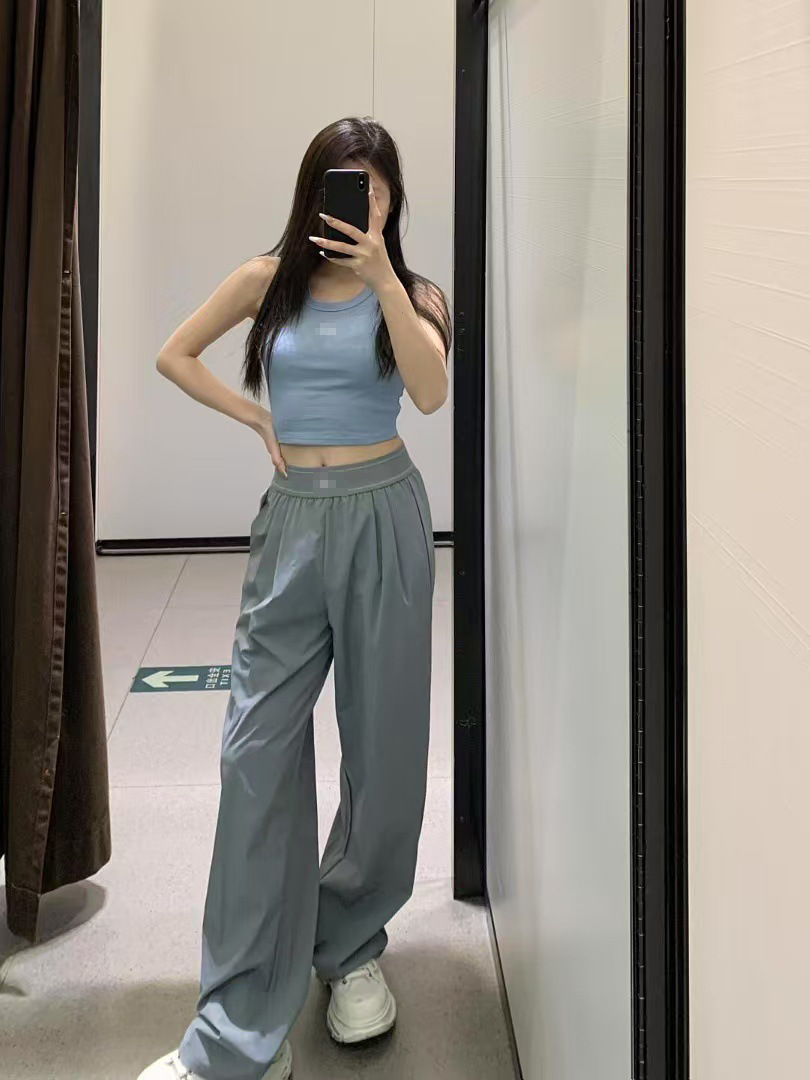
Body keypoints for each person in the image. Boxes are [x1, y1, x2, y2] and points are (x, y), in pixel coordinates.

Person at [138, 117, 452, 1080]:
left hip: (384, 517)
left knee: (385, 755)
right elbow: (176, 353)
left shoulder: (416, 296)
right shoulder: (265, 281)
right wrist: (254, 417)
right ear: (312, 193)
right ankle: (239, 1020)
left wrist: (386, 280)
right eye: (341, 184)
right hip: (293, 527)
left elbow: (432, 394)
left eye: (374, 188)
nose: (360, 201)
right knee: (254, 753)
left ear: (392, 200)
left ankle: (349, 946)